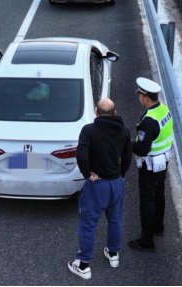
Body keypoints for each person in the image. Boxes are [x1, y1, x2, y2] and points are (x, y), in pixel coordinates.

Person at [68, 98, 133, 280]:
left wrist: (87, 174)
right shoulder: (124, 130)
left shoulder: (89, 130)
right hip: (116, 182)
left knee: (88, 224)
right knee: (115, 220)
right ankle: (113, 254)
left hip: (97, 184)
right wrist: (121, 174)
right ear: (115, 112)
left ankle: (83, 265)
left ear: (96, 113)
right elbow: (127, 156)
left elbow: (81, 155)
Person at [129, 77, 174, 252]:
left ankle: (146, 241)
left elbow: (142, 150)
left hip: (150, 167)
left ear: (146, 98)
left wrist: (129, 144)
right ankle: (158, 226)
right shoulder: (164, 110)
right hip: (163, 162)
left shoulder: (149, 121)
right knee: (159, 195)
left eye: (140, 95)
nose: (139, 98)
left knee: (147, 202)